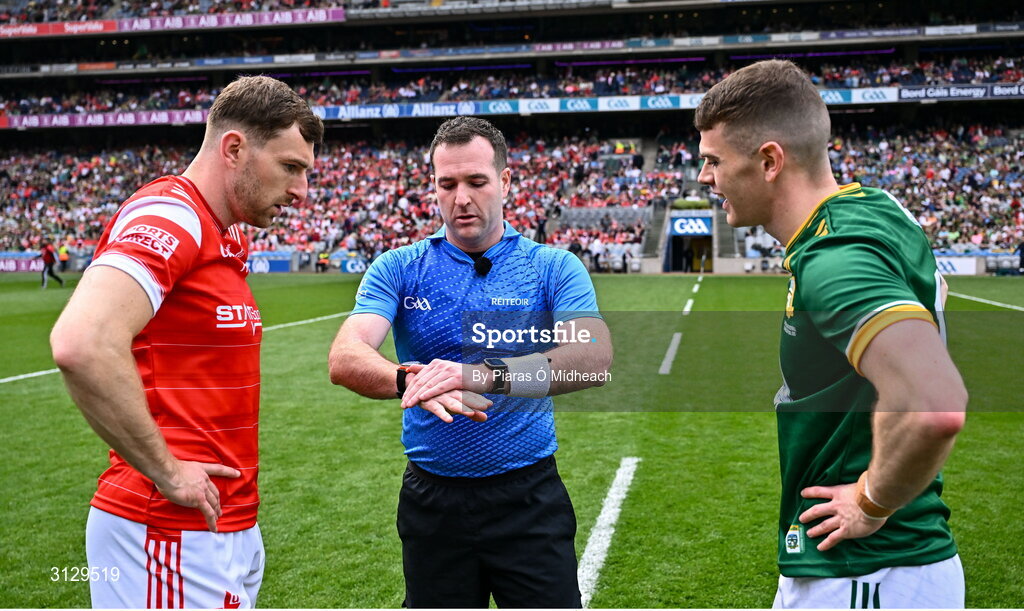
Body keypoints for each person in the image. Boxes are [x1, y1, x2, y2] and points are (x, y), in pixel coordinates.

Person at [694, 59, 967, 609]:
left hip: (867, 573)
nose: (705, 177)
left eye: (713, 161)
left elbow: (936, 404)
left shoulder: (834, 259)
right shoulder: (869, 209)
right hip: (878, 567)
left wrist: (870, 502)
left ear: (769, 160)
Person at [50, 75, 323, 609]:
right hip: (164, 529)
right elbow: (81, 342)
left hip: (222, 525)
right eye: (291, 168)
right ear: (235, 148)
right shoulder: (170, 215)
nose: (301, 192)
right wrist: (168, 471)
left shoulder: (226, 234)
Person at [328, 116, 612, 608]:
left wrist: (477, 377)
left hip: (527, 497)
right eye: (448, 184)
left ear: (505, 181)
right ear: (433, 188)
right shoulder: (399, 267)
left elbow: (591, 357)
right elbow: (346, 355)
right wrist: (410, 380)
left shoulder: (551, 266)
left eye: (477, 182)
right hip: (432, 501)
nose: (461, 197)